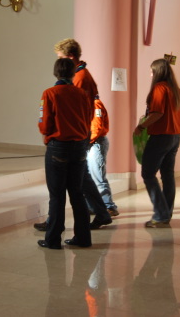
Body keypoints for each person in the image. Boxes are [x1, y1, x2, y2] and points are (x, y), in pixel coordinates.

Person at [53, 38, 113, 229]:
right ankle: (101, 213)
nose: (59, 62)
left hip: (76, 134)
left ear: (71, 57)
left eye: (61, 58)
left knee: (76, 178)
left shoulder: (80, 77)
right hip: (78, 132)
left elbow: (76, 108)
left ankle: (56, 222)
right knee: (82, 176)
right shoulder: (81, 74)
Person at [37, 58, 93, 249]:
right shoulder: (82, 94)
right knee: (77, 194)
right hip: (79, 147)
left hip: (58, 147)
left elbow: (44, 124)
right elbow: (88, 119)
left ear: (56, 73)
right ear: (72, 73)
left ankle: (53, 239)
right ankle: (83, 238)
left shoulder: (50, 93)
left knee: (57, 195)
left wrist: (47, 134)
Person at [134, 59, 180, 228]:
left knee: (148, 174)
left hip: (161, 136)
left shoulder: (159, 88)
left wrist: (141, 126)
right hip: (175, 136)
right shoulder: (176, 90)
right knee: (168, 175)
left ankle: (161, 214)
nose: (150, 75)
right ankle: (166, 213)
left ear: (157, 72)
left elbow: (157, 113)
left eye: (151, 71)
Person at [86, 95, 119, 216]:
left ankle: (109, 206)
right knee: (90, 177)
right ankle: (92, 206)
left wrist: (86, 142)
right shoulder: (90, 104)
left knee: (98, 177)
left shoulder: (95, 104)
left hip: (95, 143)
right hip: (91, 143)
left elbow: (97, 127)